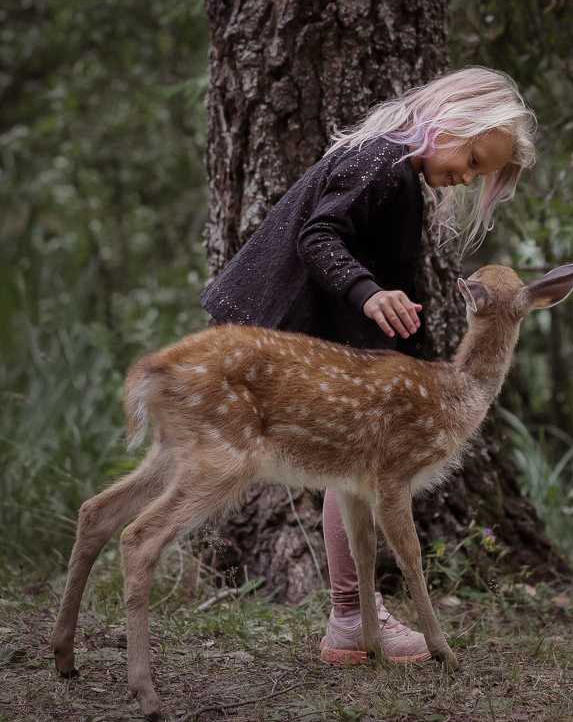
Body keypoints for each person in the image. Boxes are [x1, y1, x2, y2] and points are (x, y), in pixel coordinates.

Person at [200, 65, 537, 664]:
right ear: (448, 117)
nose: (465, 173)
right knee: (349, 468)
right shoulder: (382, 159)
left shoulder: (399, 173)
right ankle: (353, 614)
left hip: (298, 337)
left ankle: (351, 618)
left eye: (478, 172)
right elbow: (319, 235)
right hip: (267, 330)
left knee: (354, 466)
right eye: (470, 155)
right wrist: (369, 293)